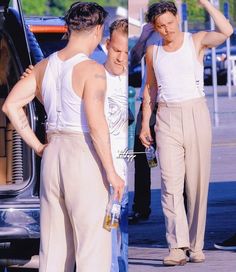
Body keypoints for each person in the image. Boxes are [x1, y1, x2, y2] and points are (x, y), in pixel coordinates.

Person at [2, 2, 124, 272]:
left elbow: (10, 105)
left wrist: (37, 146)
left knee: (54, 248)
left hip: (53, 154)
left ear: (69, 29)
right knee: (92, 244)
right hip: (83, 154)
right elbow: (96, 125)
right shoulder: (92, 70)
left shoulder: (44, 67)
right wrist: (111, 172)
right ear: (97, 30)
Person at [139, 0, 233, 266]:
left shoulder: (197, 40)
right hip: (166, 118)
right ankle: (177, 246)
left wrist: (205, 4)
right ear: (154, 27)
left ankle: (195, 245)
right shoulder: (153, 50)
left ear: (176, 19)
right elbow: (150, 88)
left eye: (170, 23)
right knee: (170, 184)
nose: (166, 29)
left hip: (195, 113)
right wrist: (146, 123)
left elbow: (226, 31)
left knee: (196, 184)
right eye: (160, 26)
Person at [104, 19, 128, 272]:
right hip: (106, 177)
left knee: (123, 247)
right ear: (107, 44)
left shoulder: (130, 81)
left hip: (126, 172)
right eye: (116, 50)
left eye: (126, 52)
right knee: (109, 250)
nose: (121, 58)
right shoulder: (96, 77)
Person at [129, 24, 159, 223]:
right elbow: (132, 60)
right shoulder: (149, 36)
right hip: (147, 103)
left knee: (176, 160)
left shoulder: (180, 36)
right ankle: (141, 207)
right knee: (142, 156)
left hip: (169, 104)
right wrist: (142, 38)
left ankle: (183, 205)